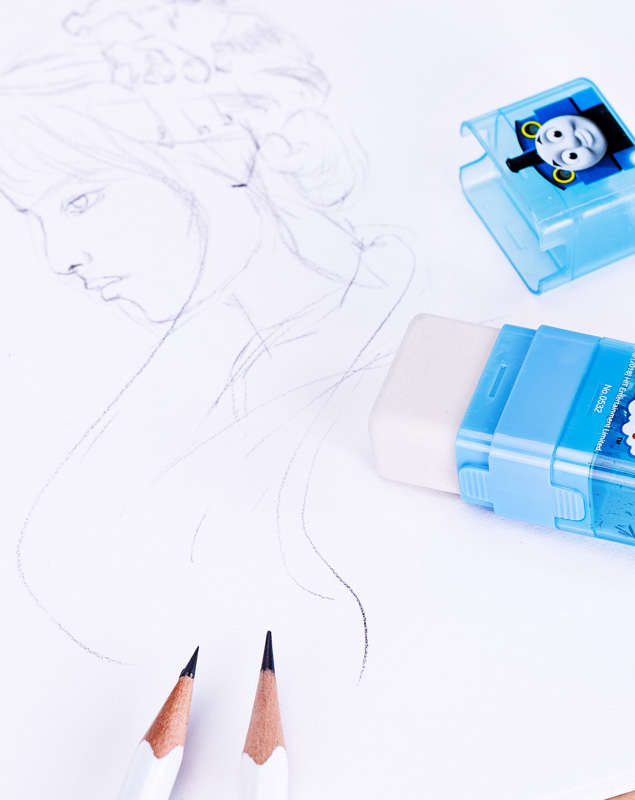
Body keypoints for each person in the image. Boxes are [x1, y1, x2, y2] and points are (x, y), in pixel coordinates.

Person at [0, 0, 414, 671]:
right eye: (36, 218)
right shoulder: (198, 370)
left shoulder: (399, 325)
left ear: (221, 145)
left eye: (79, 199)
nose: (60, 256)